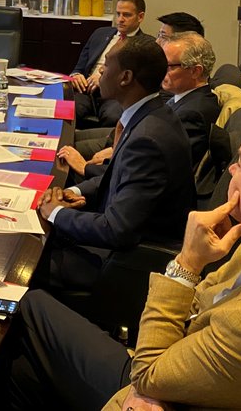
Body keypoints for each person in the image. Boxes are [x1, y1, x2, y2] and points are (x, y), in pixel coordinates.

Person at [10, 118, 241, 411]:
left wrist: (187, 262)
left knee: (28, 303)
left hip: (159, 382)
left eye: (239, 163)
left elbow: (147, 374)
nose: (230, 169)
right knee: (24, 369)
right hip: (184, 367)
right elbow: (203, 299)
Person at [39, 40, 195, 292]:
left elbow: (116, 230)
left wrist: (55, 213)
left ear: (125, 77)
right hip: (123, 242)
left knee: (30, 260)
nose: (100, 70)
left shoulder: (147, 139)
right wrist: (73, 192)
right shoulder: (152, 115)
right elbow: (118, 177)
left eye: (106, 65)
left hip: (124, 263)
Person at [61, 32, 220, 173]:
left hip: (126, 162)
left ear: (195, 71)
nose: (160, 70)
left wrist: (85, 167)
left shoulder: (193, 113)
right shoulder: (185, 96)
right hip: (124, 140)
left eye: (168, 66)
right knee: (67, 137)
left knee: (62, 150)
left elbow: (155, 167)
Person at [68, 0, 155, 126]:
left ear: (140, 17)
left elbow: (138, 81)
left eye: (126, 15)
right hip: (85, 90)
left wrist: (104, 78)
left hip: (116, 95)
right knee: (67, 110)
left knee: (113, 117)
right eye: (118, 14)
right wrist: (76, 75)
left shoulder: (146, 44)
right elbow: (79, 68)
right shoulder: (100, 33)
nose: (120, 19)